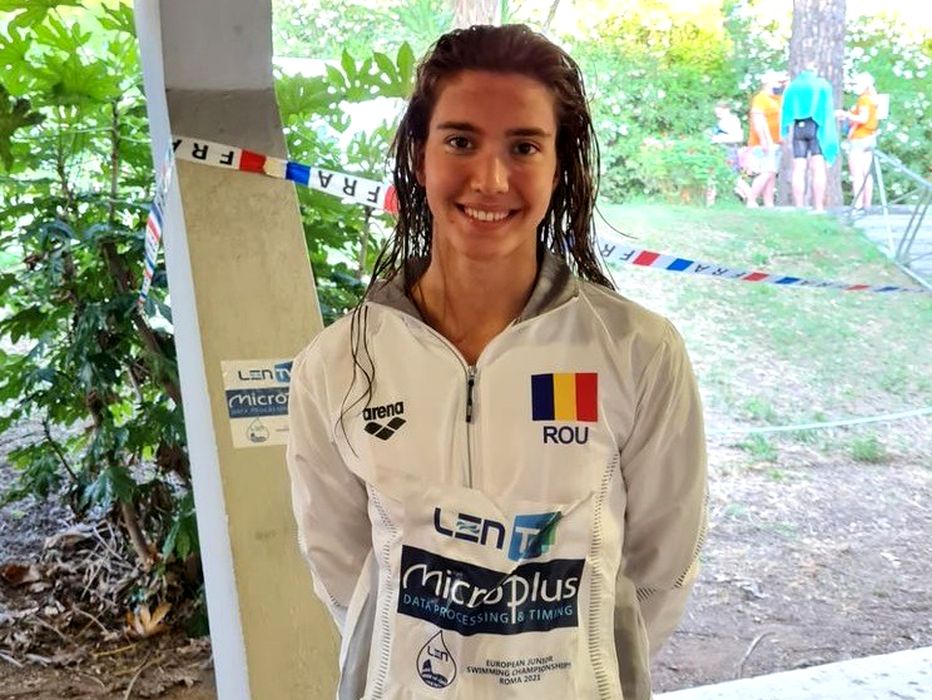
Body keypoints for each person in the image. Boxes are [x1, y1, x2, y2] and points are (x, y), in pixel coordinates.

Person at [286, 24, 707, 700]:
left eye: (524, 146)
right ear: (419, 157)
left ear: (559, 167)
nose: (489, 178)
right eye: (460, 141)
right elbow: (342, 567)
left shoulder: (638, 351)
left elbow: (662, 566)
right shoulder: (338, 365)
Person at [780, 61, 838, 212]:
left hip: (798, 127)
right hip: (816, 126)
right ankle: (818, 206)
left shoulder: (793, 86)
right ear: (816, 70)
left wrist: (784, 128)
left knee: (798, 168)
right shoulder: (822, 85)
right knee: (818, 168)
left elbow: (786, 109)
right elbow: (827, 110)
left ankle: (799, 206)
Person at [835, 72, 880, 210]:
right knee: (867, 173)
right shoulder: (873, 100)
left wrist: (845, 114)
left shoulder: (864, 100)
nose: (855, 86)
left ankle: (858, 205)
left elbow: (863, 118)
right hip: (870, 137)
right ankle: (867, 204)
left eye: (857, 84)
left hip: (859, 139)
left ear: (864, 85)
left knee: (857, 174)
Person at [745, 71, 785, 208]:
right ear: (767, 82)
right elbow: (758, 120)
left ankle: (769, 203)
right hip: (763, 143)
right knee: (768, 171)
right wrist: (764, 140)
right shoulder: (761, 98)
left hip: (776, 141)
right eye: (777, 82)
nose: (780, 85)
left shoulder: (778, 98)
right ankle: (751, 199)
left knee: (771, 174)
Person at [708, 101, 752, 204]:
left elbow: (738, 137)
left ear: (726, 110)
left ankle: (751, 198)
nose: (718, 115)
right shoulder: (723, 121)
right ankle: (710, 201)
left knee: (734, 178)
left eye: (720, 113)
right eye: (717, 113)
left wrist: (717, 139)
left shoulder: (732, 121)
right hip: (720, 150)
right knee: (714, 176)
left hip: (729, 151)